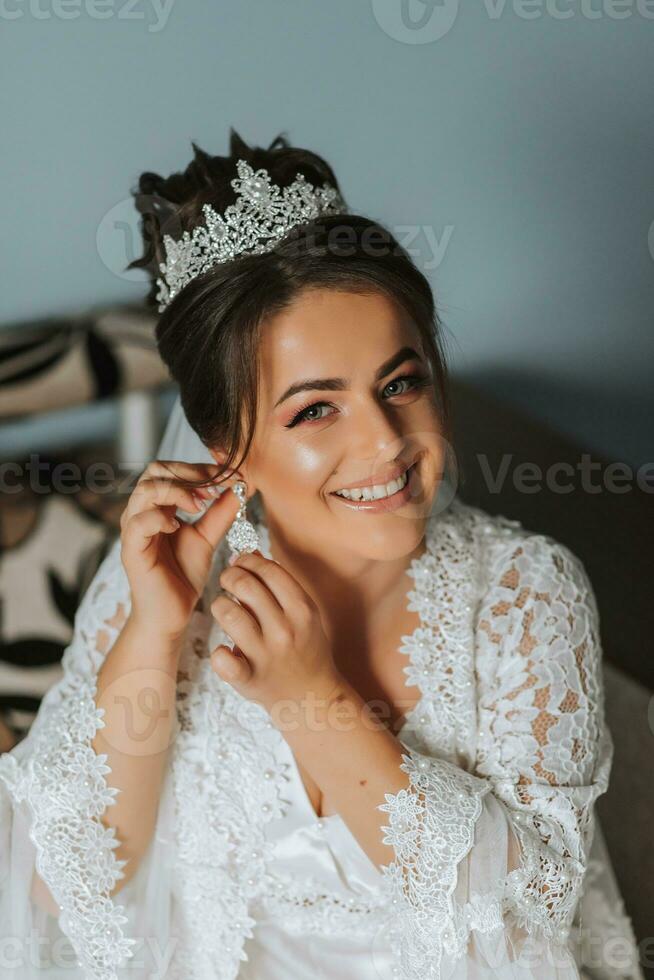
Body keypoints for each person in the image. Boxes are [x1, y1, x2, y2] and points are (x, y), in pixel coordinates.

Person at [0, 129, 643, 980]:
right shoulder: (160, 586)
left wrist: (312, 699)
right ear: (225, 443)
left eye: (401, 383)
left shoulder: (528, 591)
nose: (385, 441)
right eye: (315, 410)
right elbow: (61, 883)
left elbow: (527, 917)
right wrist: (154, 630)